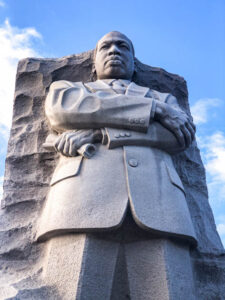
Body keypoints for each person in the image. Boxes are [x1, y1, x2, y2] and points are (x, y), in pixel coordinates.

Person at [37, 31, 197, 300]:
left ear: (134, 63)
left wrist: (100, 134)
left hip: (162, 205)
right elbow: (63, 112)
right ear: (93, 63)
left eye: (122, 46)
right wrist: (152, 111)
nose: (114, 50)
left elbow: (177, 136)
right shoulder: (69, 91)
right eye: (105, 47)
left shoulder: (166, 98)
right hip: (80, 201)